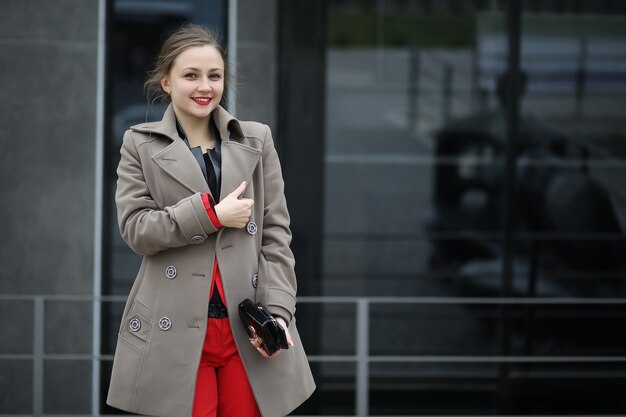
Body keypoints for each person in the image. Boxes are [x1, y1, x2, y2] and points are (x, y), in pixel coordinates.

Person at [106, 24, 315, 417]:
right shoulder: (139, 143)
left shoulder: (256, 140)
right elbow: (136, 230)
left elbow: (275, 236)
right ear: (166, 82)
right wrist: (211, 215)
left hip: (246, 325)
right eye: (191, 75)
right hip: (177, 329)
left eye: (214, 76)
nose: (205, 86)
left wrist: (280, 312)